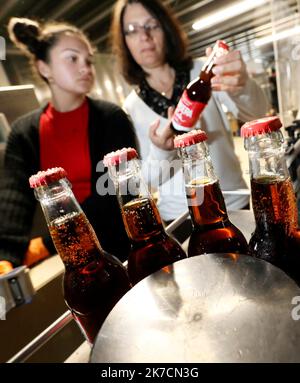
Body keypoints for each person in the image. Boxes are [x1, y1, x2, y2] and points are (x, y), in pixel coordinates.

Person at [110, 0, 269, 223]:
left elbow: (257, 114)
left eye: (151, 25)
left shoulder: (204, 71)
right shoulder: (130, 107)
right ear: (124, 42)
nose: (144, 36)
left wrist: (241, 85)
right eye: (132, 30)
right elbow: (146, 181)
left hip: (231, 202)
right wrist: (162, 151)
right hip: (179, 216)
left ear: (165, 28)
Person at [0, 17, 139, 271]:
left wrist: (46, 244)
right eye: (72, 58)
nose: (85, 68)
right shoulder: (24, 132)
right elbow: (13, 198)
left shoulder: (111, 118)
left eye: (88, 60)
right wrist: (6, 255)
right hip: (71, 259)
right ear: (45, 69)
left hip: (121, 248)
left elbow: (115, 192)